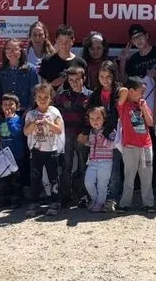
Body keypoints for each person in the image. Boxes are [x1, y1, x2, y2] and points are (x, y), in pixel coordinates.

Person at [117, 77, 156, 212]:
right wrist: (128, 91)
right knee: (129, 176)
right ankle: (125, 204)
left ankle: (148, 203)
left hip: (145, 146)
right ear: (131, 91)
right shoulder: (123, 104)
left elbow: (150, 122)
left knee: (146, 176)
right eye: (141, 91)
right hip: (130, 146)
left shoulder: (143, 104)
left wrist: (144, 107)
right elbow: (122, 91)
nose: (143, 94)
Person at [24, 82, 64, 216]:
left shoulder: (54, 112)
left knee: (53, 177)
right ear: (35, 98)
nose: (42, 100)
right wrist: (34, 124)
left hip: (51, 150)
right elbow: (26, 132)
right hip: (36, 150)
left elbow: (59, 130)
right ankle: (34, 202)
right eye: (39, 97)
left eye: (45, 97)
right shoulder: (31, 114)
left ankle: (55, 201)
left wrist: (48, 123)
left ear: (51, 98)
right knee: (35, 177)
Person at [55, 67, 91, 208]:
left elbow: (93, 115)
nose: (74, 83)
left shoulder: (90, 96)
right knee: (67, 165)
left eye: (77, 79)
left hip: (83, 134)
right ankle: (65, 196)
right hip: (67, 134)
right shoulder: (63, 96)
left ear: (84, 79)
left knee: (83, 164)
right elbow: (56, 114)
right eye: (71, 80)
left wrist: (86, 132)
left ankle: (83, 195)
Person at [89, 60, 123, 212]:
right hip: (99, 135)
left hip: (114, 135)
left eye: (108, 76)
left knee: (114, 168)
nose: (105, 80)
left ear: (114, 76)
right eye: (102, 76)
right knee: (100, 168)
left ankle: (112, 198)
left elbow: (116, 116)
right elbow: (90, 112)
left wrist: (105, 132)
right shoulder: (96, 93)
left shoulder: (119, 92)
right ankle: (99, 197)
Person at [120, 24, 156, 110]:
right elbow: (124, 80)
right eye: (134, 38)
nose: (138, 40)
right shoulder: (133, 59)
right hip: (145, 103)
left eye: (140, 36)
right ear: (132, 42)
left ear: (146, 36)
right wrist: (123, 60)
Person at [0, 94, 27, 208]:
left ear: (17, 106)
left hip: (16, 155)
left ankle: (16, 199)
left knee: (16, 179)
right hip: (4, 155)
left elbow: (16, 132)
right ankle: (5, 198)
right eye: (5, 104)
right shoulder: (0, 121)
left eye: (11, 104)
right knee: (4, 179)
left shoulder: (18, 120)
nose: (8, 107)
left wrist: (9, 119)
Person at [0, 38, 40, 113]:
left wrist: (30, 110)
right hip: (5, 112)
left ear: (21, 51)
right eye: (8, 49)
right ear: (5, 51)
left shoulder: (30, 69)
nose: (12, 52)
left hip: (25, 111)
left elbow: (34, 92)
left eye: (15, 49)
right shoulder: (0, 70)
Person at [84, 106, 115, 213]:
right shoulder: (91, 132)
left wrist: (104, 141)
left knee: (102, 184)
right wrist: (86, 143)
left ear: (104, 119)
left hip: (105, 161)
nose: (95, 121)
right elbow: (92, 144)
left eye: (98, 118)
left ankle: (100, 203)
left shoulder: (109, 131)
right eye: (92, 119)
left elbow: (115, 145)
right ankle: (95, 200)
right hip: (92, 162)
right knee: (88, 182)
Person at [39, 25, 88, 90]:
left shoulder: (81, 63)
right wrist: (53, 84)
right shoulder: (47, 61)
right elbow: (43, 87)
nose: (64, 44)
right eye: (61, 41)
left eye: (67, 41)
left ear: (72, 41)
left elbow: (84, 87)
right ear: (56, 40)